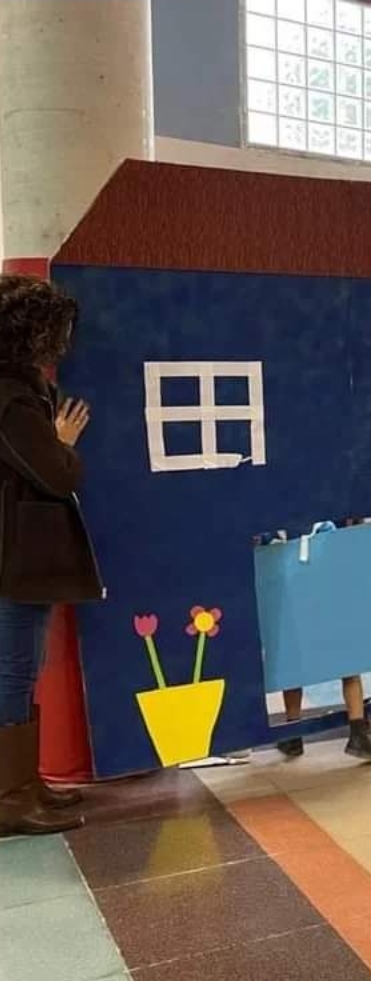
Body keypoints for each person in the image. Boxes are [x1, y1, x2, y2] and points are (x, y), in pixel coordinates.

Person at [0, 274, 103, 836]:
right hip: (13, 558)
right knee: (12, 671)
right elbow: (56, 476)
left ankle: (24, 781)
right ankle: (10, 796)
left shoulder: (24, 388)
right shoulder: (11, 399)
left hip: (22, 556)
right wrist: (62, 443)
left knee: (20, 668)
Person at [258, 516, 371, 763]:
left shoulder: (277, 529)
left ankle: (293, 734)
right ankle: (358, 733)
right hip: (325, 599)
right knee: (348, 665)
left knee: (292, 665)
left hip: (295, 602)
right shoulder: (326, 525)